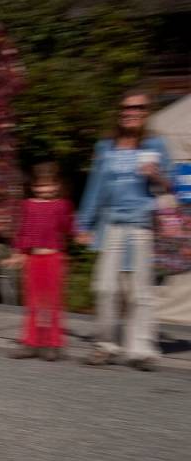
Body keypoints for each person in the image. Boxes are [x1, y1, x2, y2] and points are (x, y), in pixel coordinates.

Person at [76, 88, 174, 371]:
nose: (131, 113)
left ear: (147, 113)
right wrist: (85, 222)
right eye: (126, 109)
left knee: (140, 291)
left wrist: (157, 176)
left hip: (143, 225)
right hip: (112, 225)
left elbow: (174, 188)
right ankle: (105, 344)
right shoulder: (106, 146)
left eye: (138, 108)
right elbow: (95, 187)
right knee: (105, 287)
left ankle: (140, 350)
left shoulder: (156, 145)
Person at [3, 162, 73, 361]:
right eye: (41, 185)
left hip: (54, 258)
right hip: (34, 259)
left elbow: (68, 227)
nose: (46, 189)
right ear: (33, 186)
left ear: (58, 185)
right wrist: (18, 254)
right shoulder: (28, 206)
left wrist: (81, 233)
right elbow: (23, 232)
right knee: (33, 303)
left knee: (52, 303)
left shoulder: (62, 205)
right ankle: (32, 342)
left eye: (50, 185)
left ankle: (53, 343)